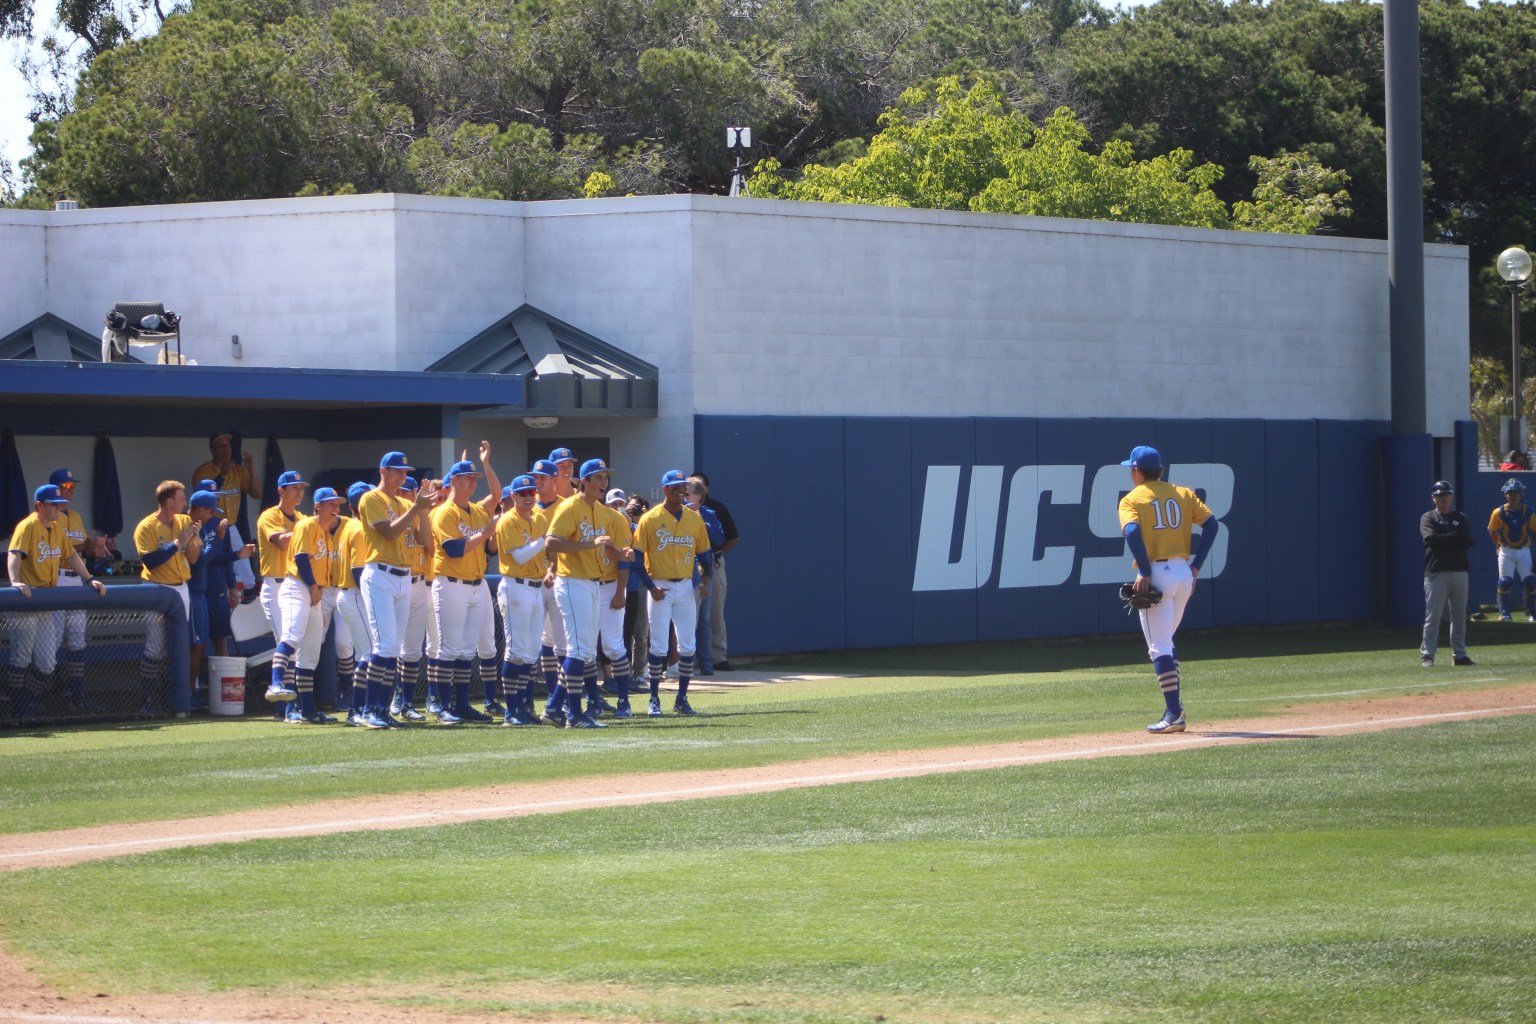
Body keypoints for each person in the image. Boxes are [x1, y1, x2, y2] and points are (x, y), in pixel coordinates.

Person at [1116, 446, 1220, 734]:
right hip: (1183, 573)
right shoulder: (1182, 493)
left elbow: (1133, 532)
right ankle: (1175, 709)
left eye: (1131, 468)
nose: (1130, 473)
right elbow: (1211, 525)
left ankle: (1174, 712)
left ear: (1137, 470)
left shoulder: (1132, 499)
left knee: (1159, 646)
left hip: (1158, 574)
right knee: (1166, 641)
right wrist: (1197, 565)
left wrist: (1145, 571)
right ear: (1159, 470)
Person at [6, 484, 107, 722]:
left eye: (58, 504)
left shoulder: (57, 526)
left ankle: (27, 700)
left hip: (46, 600)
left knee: (47, 663)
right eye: (52, 504)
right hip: (26, 600)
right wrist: (15, 582)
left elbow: (70, 555)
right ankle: (16, 708)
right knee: (21, 657)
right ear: (39, 505)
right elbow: (14, 553)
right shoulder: (28, 525)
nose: (57, 508)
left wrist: (89, 578)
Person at [544, 458, 632, 728]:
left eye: (605, 477)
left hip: (593, 583)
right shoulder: (570, 506)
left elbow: (603, 547)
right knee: (579, 649)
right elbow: (551, 544)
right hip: (572, 582)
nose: (603, 483)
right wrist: (587, 544)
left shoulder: (604, 513)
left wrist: (620, 553)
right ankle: (573, 714)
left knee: (585, 652)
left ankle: (552, 709)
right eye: (597, 477)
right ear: (583, 481)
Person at [356, 452, 439, 729]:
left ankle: (381, 708)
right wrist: (416, 508)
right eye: (397, 471)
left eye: (405, 472)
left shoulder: (404, 502)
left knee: (395, 649)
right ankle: (370, 709)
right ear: (383, 471)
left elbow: (425, 540)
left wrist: (424, 509)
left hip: (405, 576)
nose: (402, 476)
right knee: (386, 645)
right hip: (379, 574)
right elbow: (389, 533)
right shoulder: (371, 498)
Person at [428, 455, 502, 724]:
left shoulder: (477, 510)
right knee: (448, 649)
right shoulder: (443, 512)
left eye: (475, 479)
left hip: (475, 584)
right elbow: (454, 549)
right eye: (468, 479)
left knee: (467, 650)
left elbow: (497, 494)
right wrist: (484, 535)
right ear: (454, 480)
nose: (473, 483)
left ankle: (462, 705)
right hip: (450, 584)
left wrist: (485, 464)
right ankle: (444, 706)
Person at [634, 470, 714, 717]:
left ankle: (682, 698)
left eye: (683, 486)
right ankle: (654, 699)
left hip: (686, 586)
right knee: (658, 645)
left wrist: (704, 580)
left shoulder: (693, 518)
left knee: (687, 645)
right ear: (665, 490)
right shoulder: (650, 518)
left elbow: (704, 553)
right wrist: (650, 586)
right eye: (676, 487)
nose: (681, 490)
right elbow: (637, 557)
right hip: (660, 584)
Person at [272, 487, 344, 723]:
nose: (335, 508)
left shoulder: (325, 533)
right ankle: (276, 683)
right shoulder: (307, 525)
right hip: (297, 586)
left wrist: (318, 592)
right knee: (292, 635)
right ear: (318, 507)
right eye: (330, 504)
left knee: (311, 652)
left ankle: (308, 711)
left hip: (314, 592)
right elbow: (301, 558)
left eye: (337, 504)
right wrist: (314, 587)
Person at [133, 479, 203, 717]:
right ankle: (148, 701)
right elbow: (150, 561)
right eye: (182, 498)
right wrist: (178, 542)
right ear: (169, 501)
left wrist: (193, 539)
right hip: (155, 586)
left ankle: (178, 701)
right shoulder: (146, 526)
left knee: (180, 645)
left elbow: (193, 559)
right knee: (155, 648)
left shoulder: (185, 521)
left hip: (181, 586)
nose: (186, 502)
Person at [186, 489, 254, 708]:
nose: (212, 515)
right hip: (196, 590)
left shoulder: (218, 524)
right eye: (209, 509)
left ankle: (221, 693)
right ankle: (189, 691)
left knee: (217, 640)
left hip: (214, 589)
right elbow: (203, 561)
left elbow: (219, 558)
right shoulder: (191, 527)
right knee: (196, 644)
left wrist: (232, 583)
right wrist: (233, 552)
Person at [493, 475, 550, 726]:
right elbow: (519, 557)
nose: (528, 497)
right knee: (515, 650)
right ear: (513, 497)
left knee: (530, 652)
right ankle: (511, 710)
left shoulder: (540, 518)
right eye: (523, 493)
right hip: (515, 586)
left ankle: (526, 707)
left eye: (531, 493)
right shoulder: (507, 521)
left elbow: (543, 554)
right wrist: (542, 541)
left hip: (536, 586)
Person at [255, 470, 307, 711]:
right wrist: (308, 530)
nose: (299, 491)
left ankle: (291, 705)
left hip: (297, 584)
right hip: (275, 584)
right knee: (286, 641)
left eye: (301, 487)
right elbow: (283, 541)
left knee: (297, 645)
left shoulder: (302, 517)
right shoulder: (269, 516)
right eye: (294, 487)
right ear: (281, 490)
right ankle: (286, 707)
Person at [47, 468, 95, 709]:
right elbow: (63, 551)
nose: (71, 490)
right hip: (55, 579)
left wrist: (93, 547)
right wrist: (86, 545)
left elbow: (81, 549)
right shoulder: (47, 520)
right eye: (67, 487)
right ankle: (32, 697)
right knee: (51, 642)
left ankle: (77, 697)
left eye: (73, 486)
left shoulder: (75, 516)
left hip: (76, 579)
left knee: (77, 640)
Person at [1421, 480, 1476, 668]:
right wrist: (1453, 537)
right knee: (1433, 616)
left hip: (1460, 569)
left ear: (1451, 497)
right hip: (1436, 571)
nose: (1443, 499)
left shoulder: (1460, 517)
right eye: (1439, 496)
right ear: (1433, 498)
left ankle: (1459, 655)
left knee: (1459, 616)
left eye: (1446, 495)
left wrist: (1446, 539)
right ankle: (1428, 655)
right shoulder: (1428, 517)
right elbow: (1431, 539)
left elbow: (1466, 540)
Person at [689, 472, 739, 671]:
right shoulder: (680, 510)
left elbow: (731, 537)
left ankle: (717, 657)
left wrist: (716, 555)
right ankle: (686, 659)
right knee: (689, 614)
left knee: (713, 613)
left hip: (712, 562)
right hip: (687, 563)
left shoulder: (714, 509)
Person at [685, 477, 725, 676]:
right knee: (688, 617)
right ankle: (687, 663)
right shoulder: (680, 514)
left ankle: (707, 662)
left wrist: (700, 519)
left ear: (699, 496)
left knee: (705, 618)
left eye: (688, 493)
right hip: (686, 569)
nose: (685, 497)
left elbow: (719, 539)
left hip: (705, 568)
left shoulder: (709, 514)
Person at [1487, 478, 1535, 622]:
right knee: (1504, 581)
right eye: (1509, 493)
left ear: (1521, 495)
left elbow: (1534, 532)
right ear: (1505, 495)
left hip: (1523, 550)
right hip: (1506, 551)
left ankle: (1532, 611)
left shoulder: (1529, 513)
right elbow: (1492, 530)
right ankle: (1505, 613)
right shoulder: (1498, 512)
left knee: (1530, 582)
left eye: (1515, 493)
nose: (1512, 496)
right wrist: (1498, 546)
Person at [191, 431, 263, 528]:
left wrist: (251, 470)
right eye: (221, 446)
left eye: (228, 445)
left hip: (232, 526)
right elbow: (200, 502)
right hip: (210, 525)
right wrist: (223, 475)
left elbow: (257, 494)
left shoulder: (238, 470)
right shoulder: (203, 472)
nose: (226, 449)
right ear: (212, 450)